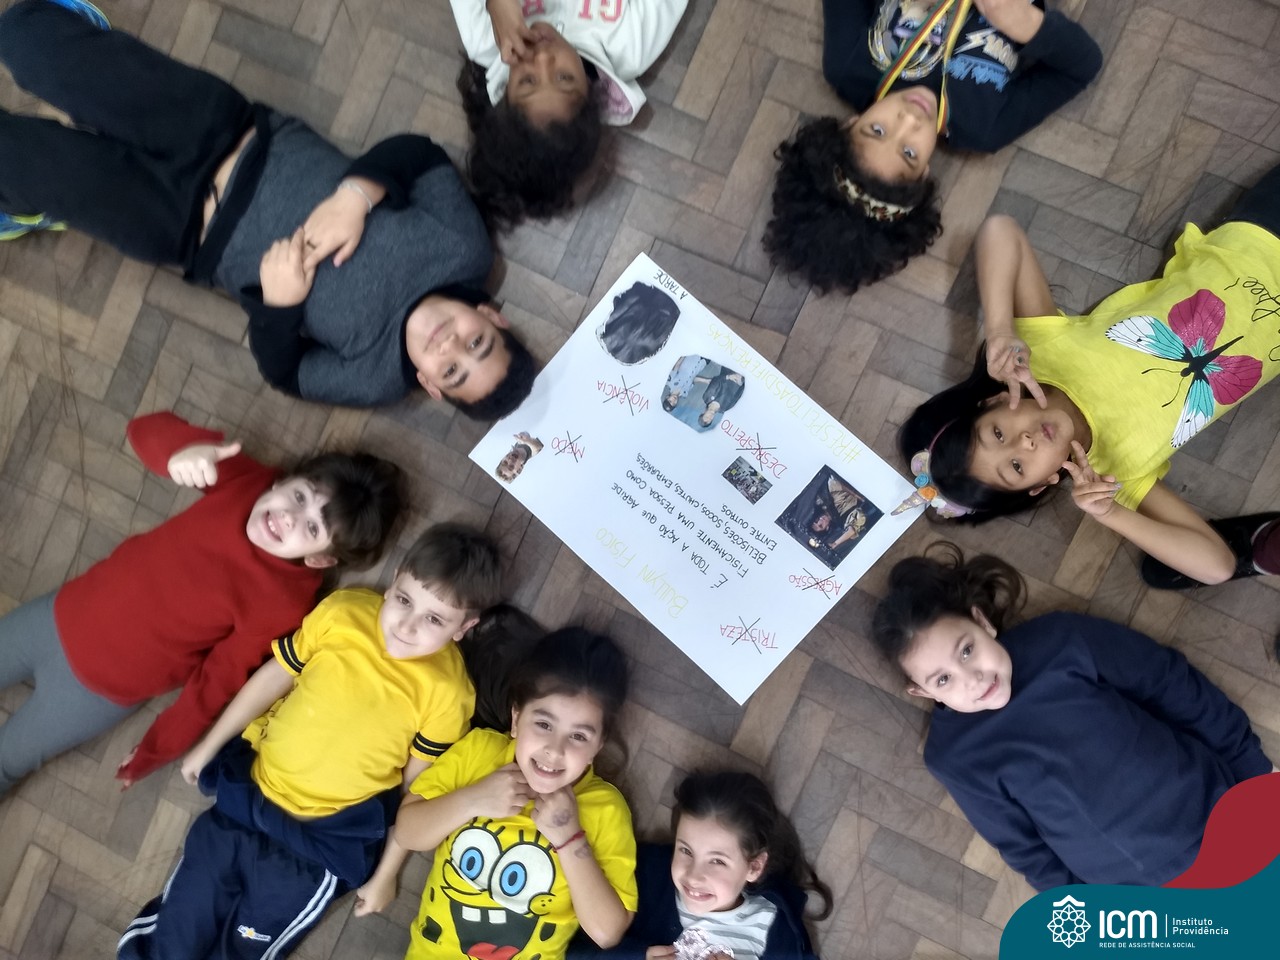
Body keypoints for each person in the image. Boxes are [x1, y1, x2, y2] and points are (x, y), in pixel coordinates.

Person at [0, 0, 536, 418]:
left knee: (12, 162)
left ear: (431, 385)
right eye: (478, 343)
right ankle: (86, 47)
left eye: (452, 371)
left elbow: (285, 373)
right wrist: (355, 197)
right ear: (492, 316)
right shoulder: (465, 250)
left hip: (179, 227)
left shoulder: (375, 380)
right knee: (22, 35)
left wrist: (280, 306)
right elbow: (420, 155)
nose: (451, 345)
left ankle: (28, 203)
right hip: (228, 132)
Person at [117, 523, 504, 960]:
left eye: (434, 619)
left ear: (464, 627)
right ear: (395, 578)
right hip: (246, 799)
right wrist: (208, 747)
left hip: (318, 848)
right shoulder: (344, 612)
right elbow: (274, 677)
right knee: (174, 937)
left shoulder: (449, 693)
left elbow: (413, 791)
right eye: (403, 600)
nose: (408, 625)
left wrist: (386, 875)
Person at [898, 162, 1280, 588]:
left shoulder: (1040, 354)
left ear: (993, 401)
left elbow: (1001, 230)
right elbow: (1217, 565)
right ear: (1042, 484)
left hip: (1257, 234)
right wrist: (1111, 513)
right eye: (1018, 466)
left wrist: (1001, 328)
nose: (1024, 442)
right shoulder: (1117, 472)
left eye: (998, 433)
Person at [0, 411, 402, 795]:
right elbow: (142, 430)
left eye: (312, 527)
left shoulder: (283, 604)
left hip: (98, 692)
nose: (289, 517)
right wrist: (181, 452)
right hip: (56, 616)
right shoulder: (246, 478)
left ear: (319, 560)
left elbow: (217, 681)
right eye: (299, 496)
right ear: (282, 483)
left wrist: (160, 746)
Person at [870, 544, 1275, 890]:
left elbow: (1171, 684)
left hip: (1223, 811)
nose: (972, 679)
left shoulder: (1060, 639)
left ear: (982, 622)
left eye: (966, 650)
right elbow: (1023, 848)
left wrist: (1253, 771)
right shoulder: (952, 756)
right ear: (922, 692)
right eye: (943, 679)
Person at [764, 0, 1101, 293]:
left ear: (849, 125)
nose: (909, 120)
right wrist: (1030, 24)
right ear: (924, 174)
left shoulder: (848, 64)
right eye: (909, 153)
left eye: (877, 130)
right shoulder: (984, 128)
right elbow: (1081, 67)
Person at [392, 627, 637, 960]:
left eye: (579, 737)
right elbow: (407, 832)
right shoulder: (479, 752)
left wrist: (570, 839)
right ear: (516, 718)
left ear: (598, 746)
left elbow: (606, 933)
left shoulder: (606, 808)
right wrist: (473, 799)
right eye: (544, 724)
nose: (555, 750)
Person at [450, 0, 689, 228]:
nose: (543, 58)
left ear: (505, 93)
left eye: (527, 80)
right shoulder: (630, 47)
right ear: (590, 92)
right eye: (564, 78)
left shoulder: (484, 39)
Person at [577, 770, 831, 960]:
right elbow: (571, 948)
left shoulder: (772, 927)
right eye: (686, 851)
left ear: (753, 867)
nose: (694, 876)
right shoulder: (646, 879)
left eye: (717, 861)